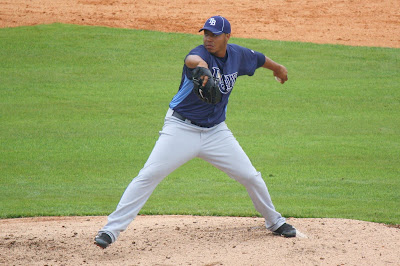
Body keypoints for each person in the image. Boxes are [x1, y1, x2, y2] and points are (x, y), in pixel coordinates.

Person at [94, 15, 295, 249]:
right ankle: (110, 230)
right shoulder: (199, 54)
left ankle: (274, 221)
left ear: (227, 37)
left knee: (250, 176)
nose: (209, 39)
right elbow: (191, 59)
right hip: (181, 129)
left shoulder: (238, 55)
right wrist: (203, 68)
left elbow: (259, 59)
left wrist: (279, 69)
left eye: (214, 35)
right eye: (206, 34)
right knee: (148, 175)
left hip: (216, 133)